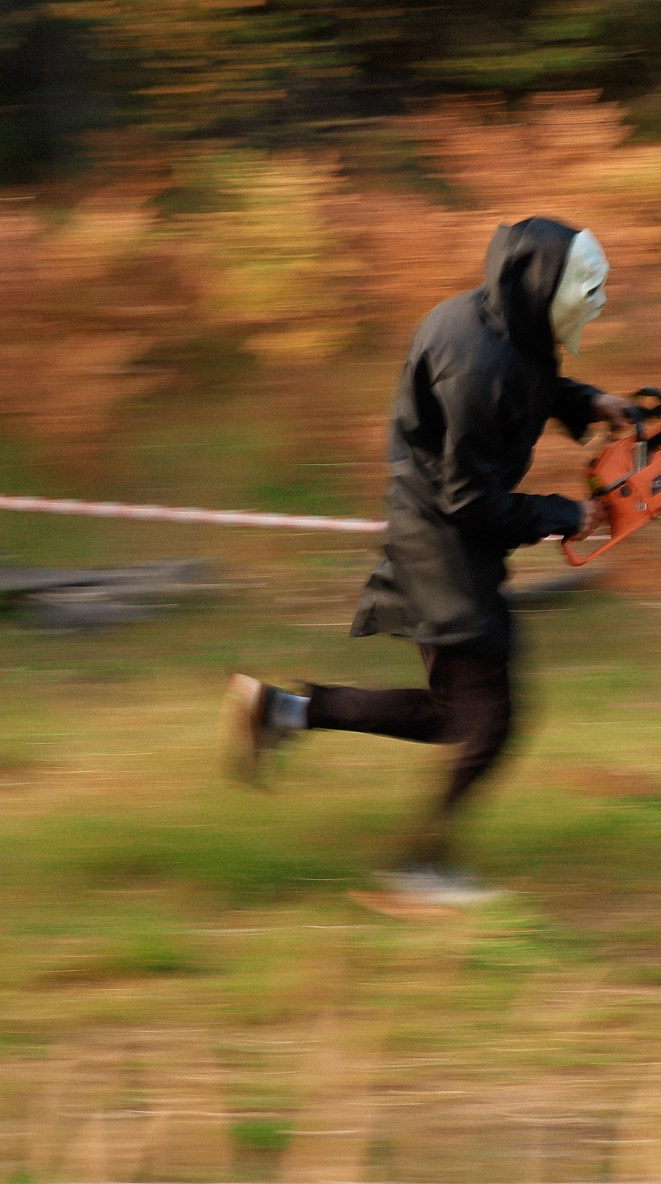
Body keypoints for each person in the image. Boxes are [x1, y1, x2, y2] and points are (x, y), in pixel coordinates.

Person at [222, 217, 635, 911]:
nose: (598, 301)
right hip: (442, 542)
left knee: (459, 714)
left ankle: (282, 710)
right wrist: (565, 516)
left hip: (445, 536)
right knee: (488, 720)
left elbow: (531, 379)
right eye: (588, 288)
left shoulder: (503, 320)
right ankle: (420, 870)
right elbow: (470, 494)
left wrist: (587, 401)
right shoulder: (477, 361)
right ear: (547, 287)